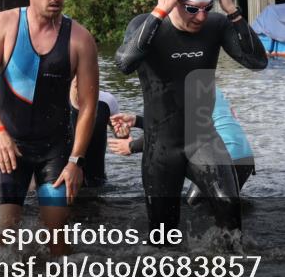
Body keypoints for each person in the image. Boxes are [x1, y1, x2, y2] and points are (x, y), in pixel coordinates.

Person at [114, 0, 267, 235]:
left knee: (230, 207)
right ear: (174, 1)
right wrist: (158, 13)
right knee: (162, 234)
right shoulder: (145, 25)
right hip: (161, 148)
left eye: (207, 8)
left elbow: (258, 62)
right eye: (192, 9)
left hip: (203, 139)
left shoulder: (216, 26)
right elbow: (125, 63)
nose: (201, 16)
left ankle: (231, 274)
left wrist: (234, 13)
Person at [0, 0, 99, 255]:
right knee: (0, 242)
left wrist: (76, 161)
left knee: (59, 242)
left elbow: (89, 106)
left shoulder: (80, 39)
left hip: (55, 150)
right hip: (9, 147)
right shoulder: (4, 25)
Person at [109, 87, 256, 205]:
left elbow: (169, 134)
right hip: (245, 157)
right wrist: (136, 121)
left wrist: (132, 146)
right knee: (222, 208)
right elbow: (175, 124)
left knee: (193, 208)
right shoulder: (207, 86)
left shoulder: (179, 90)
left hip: (223, 157)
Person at [69, 77, 119, 189]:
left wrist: (122, 134)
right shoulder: (55, 101)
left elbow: (119, 134)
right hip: (62, 180)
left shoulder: (107, 100)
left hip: (97, 181)